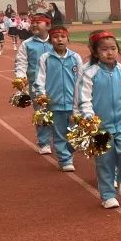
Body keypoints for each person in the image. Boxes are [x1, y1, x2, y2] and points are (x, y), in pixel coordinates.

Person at [76, 31, 121, 209]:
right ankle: (107, 196)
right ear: (96, 52)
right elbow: (84, 99)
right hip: (100, 125)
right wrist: (90, 119)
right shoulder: (90, 73)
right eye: (104, 49)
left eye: (113, 48)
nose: (109, 52)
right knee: (104, 161)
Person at [35, 24, 84, 171]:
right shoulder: (45, 58)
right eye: (56, 37)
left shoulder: (75, 58)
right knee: (59, 133)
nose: (59, 40)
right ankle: (65, 160)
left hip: (73, 104)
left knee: (74, 133)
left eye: (62, 36)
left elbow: (82, 81)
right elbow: (40, 79)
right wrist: (42, 96)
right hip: (54, 103)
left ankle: (68, 152)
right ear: (51, 40)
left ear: (68, 38)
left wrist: (83, 100)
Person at [14, 14, 54, 153]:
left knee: (59, 111)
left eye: (39, 22)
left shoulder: (55, 41)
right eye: (33, 23)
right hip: (36, 84)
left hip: (56, 83)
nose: (35, 25)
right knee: (41, 111)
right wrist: (20, 77)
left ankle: (59, 137)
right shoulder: (27, 44)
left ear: (48, 26)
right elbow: (21, 62)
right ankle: (44, 142)